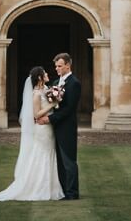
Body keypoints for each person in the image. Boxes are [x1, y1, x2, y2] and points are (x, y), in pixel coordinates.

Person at [0, 66, 63, 202]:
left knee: (49, 154)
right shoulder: (36, 94)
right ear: (40, 77)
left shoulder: (46, 89)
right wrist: (52, 105)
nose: (48, 74)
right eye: (45, 73)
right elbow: (36, 114)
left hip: (49, 127)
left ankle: (52, 188)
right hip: (42, 129)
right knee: (42, 155)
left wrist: (56, 101)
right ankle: (39, 188)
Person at [38, 52, 80, 200]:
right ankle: (63, 191)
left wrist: (49, 119)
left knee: (69, 161)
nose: (57, 68)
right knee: (60, 162)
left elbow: (69, 109)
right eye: (56, 66)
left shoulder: (74, 83)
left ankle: (72, 193)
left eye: (60, 66)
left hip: (66, 127)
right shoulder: (56, 83)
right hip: (54, 128)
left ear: (68, 65)